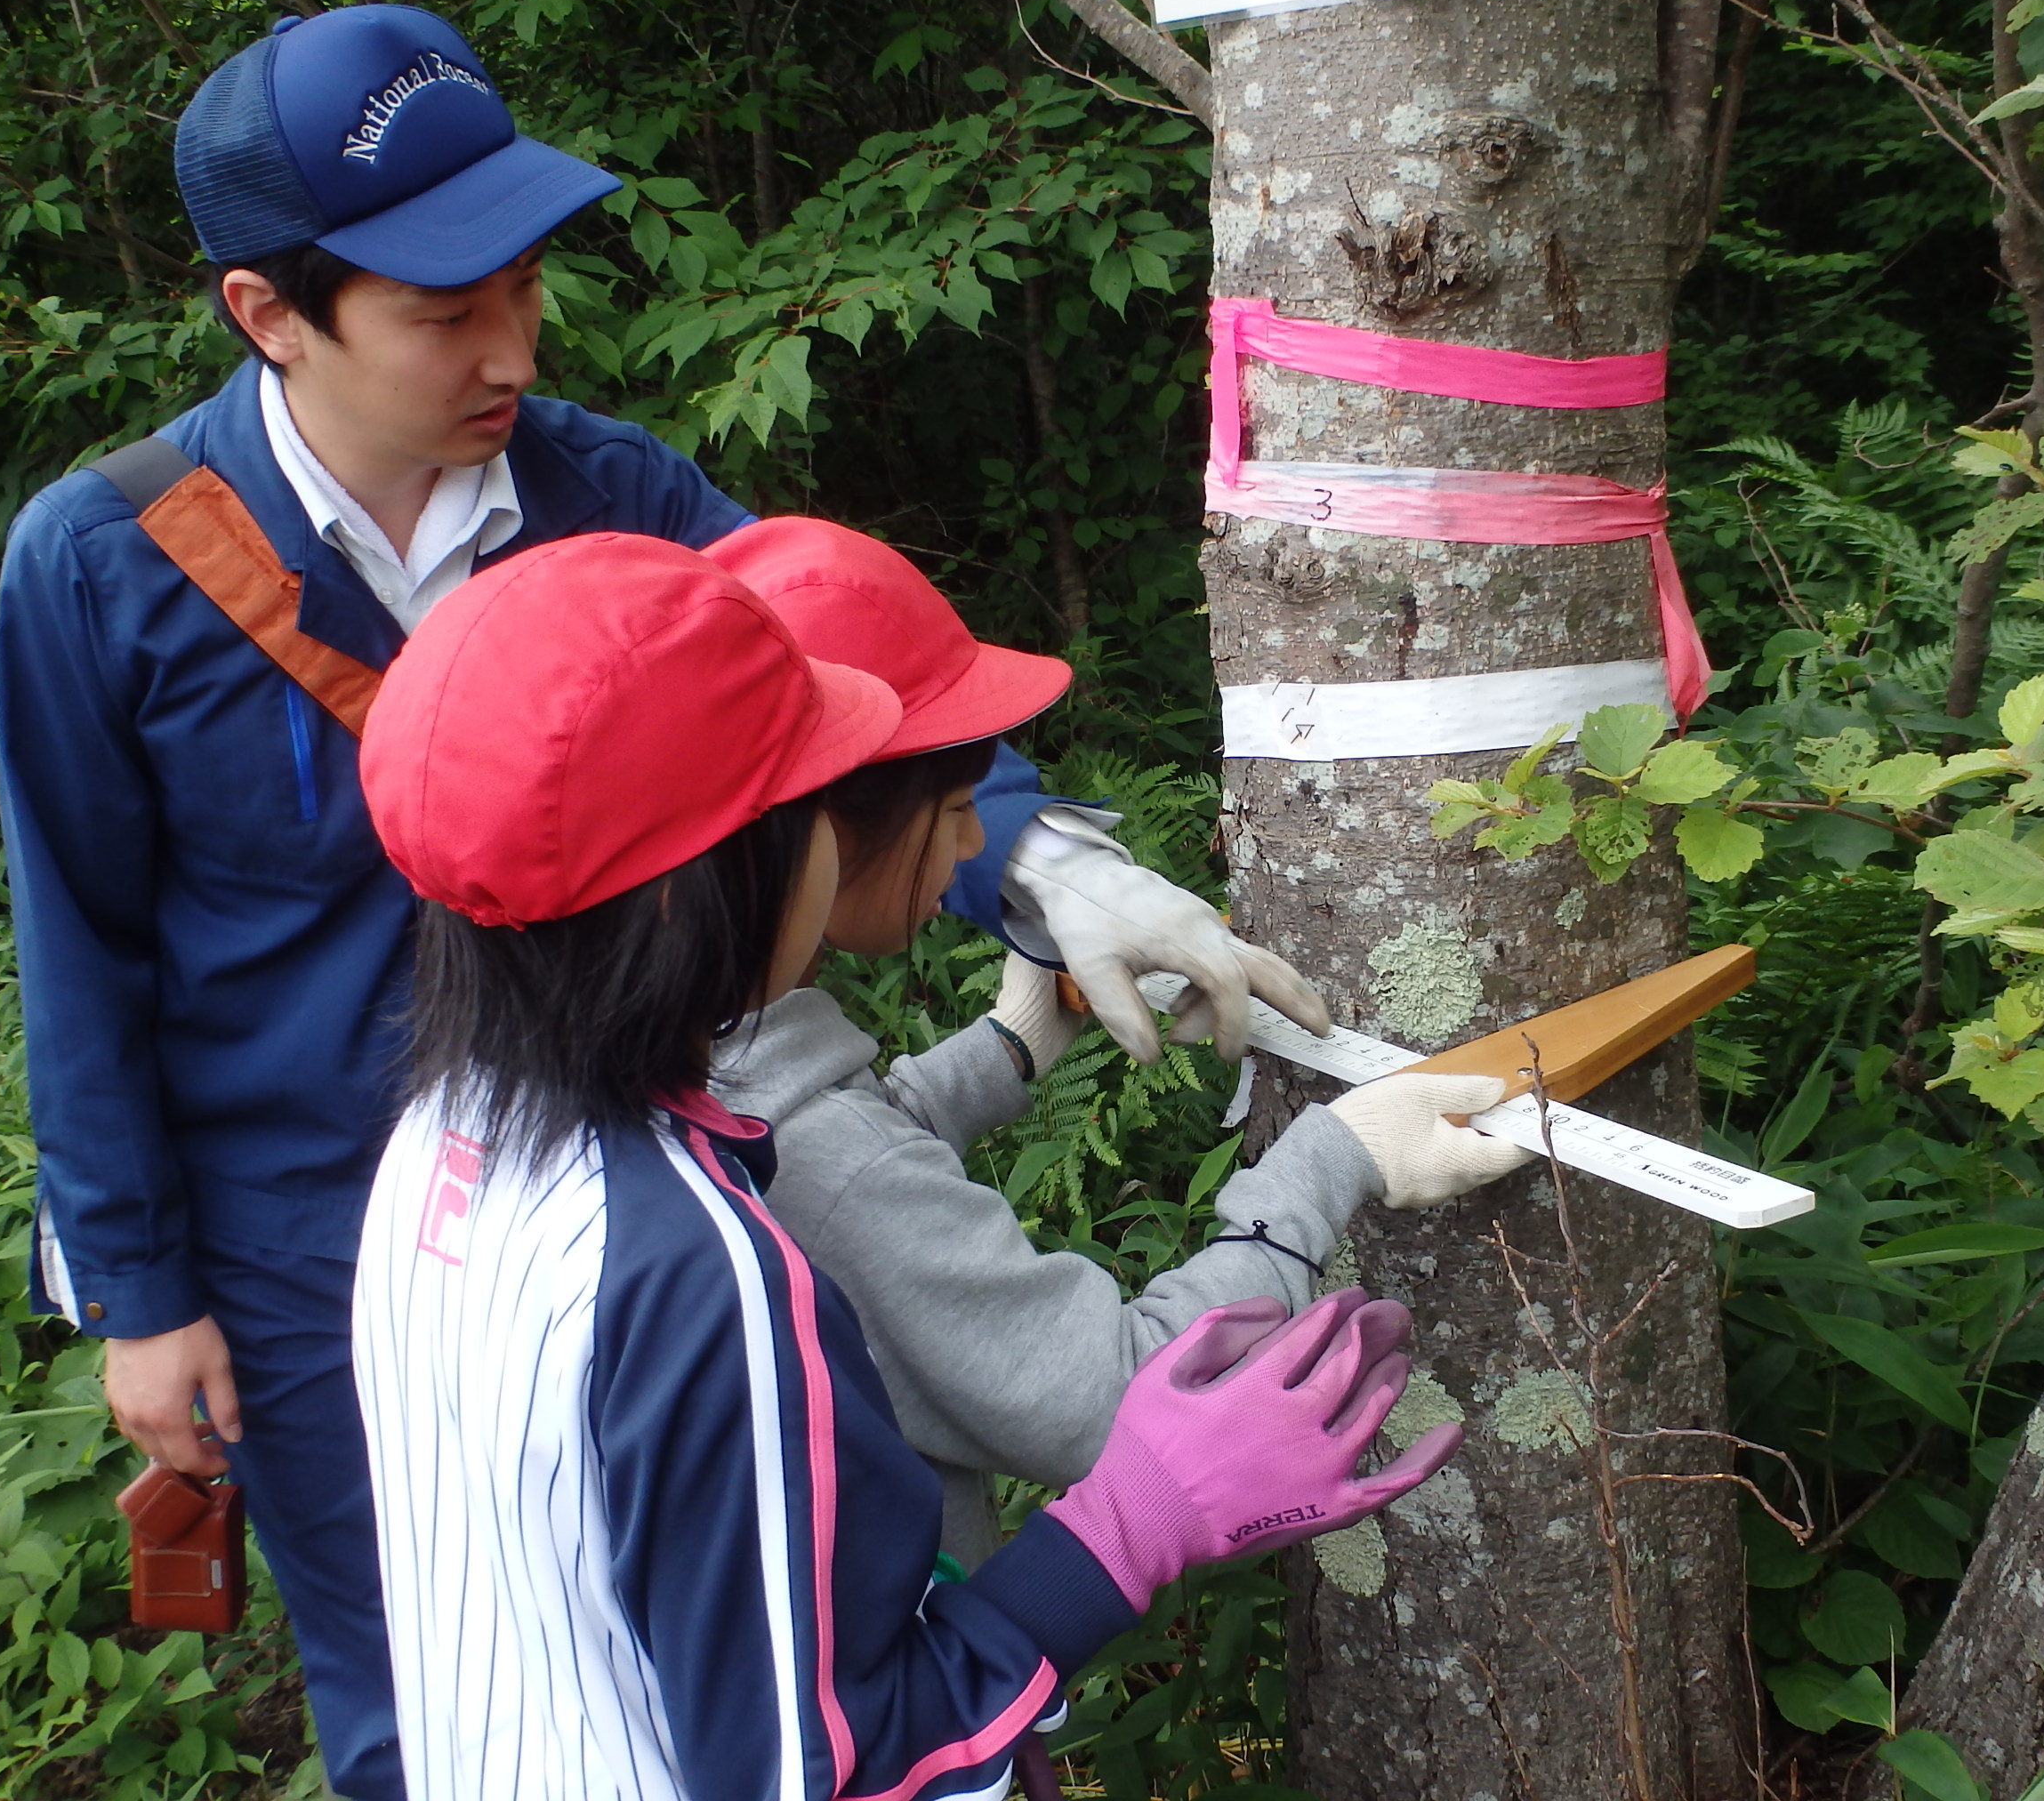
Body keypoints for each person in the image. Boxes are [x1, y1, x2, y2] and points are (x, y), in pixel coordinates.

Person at [0, 4, 1323, 1794]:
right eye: (444, 310)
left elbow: (849, 698)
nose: (509, 348)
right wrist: (143, 1296)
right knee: (422, 1660)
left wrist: (1051, 862)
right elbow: (83, 952)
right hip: (327, 1237)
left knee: (708, 1636)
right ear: (269, 313)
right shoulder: (108, 569)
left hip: (624, 1179)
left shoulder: (600, 494)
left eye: (525, 285)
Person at [349, 532, 1457, 1798]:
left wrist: (1007, 1051)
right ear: (705, 878)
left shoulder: (449, 1142)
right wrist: (1128, 1525)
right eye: (806, 805)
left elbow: (801, 1163)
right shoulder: (706, 1280)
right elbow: (822, 1769)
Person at [701, 518, 1538, 1567]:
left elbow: (831, 1164)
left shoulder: (683, 1050)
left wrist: (1012, 1042)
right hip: (914, 1712)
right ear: (820, 827)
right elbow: (1122, 1395)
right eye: (960, 807)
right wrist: (1332, 1164)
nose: (977, 846)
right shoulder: (826, 1161)